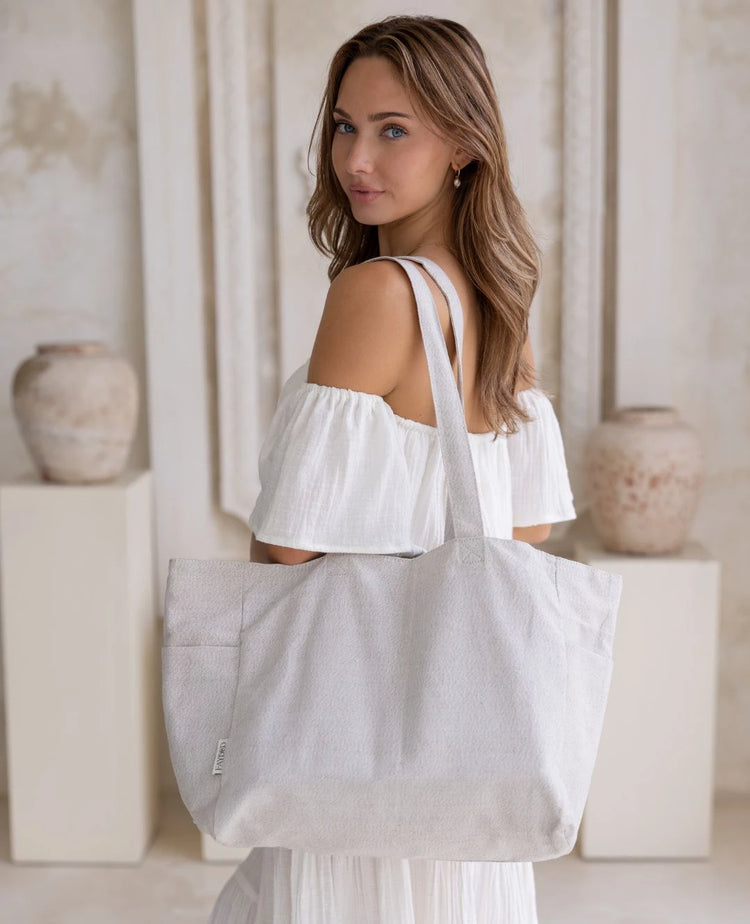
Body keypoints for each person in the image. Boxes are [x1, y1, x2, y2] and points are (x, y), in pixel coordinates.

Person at [208, 14, 576, 924]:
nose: (355, 158)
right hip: (466, 758)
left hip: (358, 739)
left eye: (393, 128)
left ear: (462, 142)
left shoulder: (376, 294)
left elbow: (287, 550)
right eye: (344, 125)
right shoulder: (501, 301)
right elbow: (526, 530)